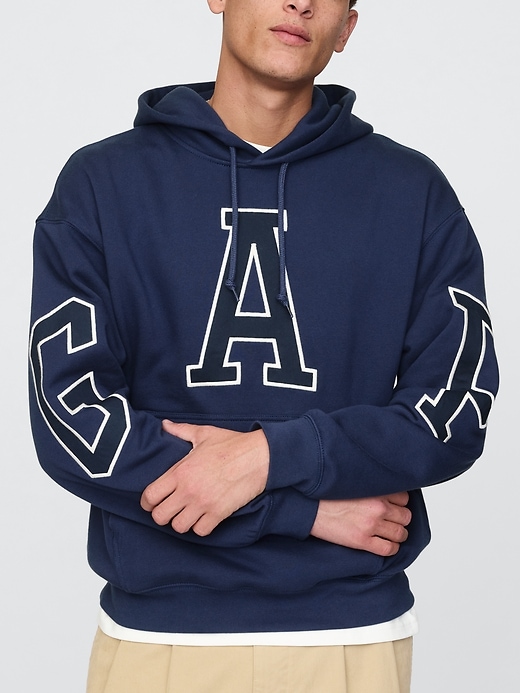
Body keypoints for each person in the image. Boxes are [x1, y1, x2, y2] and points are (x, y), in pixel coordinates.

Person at [28, 1, 499, 691]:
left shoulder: (413, 192)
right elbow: (72, 419)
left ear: (347, 27)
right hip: (161, 638)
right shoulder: (101, 185)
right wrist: (299, 511)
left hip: (351, 637)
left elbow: (453, 417)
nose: (300, 2)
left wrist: (268, 455)